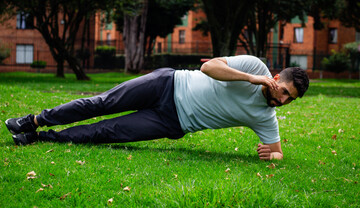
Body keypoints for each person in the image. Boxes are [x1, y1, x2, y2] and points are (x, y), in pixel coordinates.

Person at [5, 55, 309, 160]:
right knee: (101, 103)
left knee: (106, 131)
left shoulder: (265, 116)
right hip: (167, 83)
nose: (282, 100)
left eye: (288, 99)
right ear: (276, 77)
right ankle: (33, 121)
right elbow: (209, 68)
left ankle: (40, 139)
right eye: (283, 91)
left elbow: (277, 149)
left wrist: (275, 155)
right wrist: (253, 78)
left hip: (170, 122)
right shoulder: (254, 66)